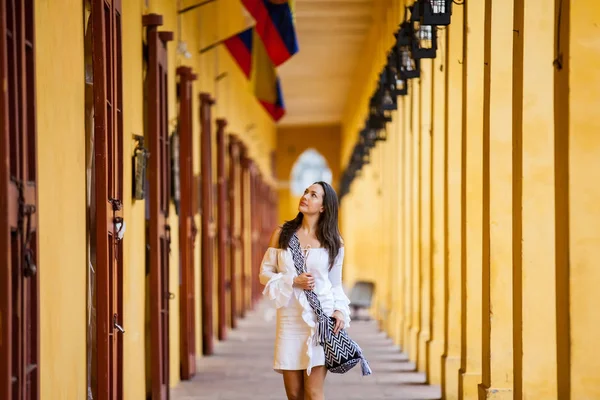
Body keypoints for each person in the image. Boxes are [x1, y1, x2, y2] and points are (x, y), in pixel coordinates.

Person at [259, 181, 351, 400]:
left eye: (313, 195)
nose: (306, 196)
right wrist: (293, 280)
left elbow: (335, 284)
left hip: (320, 320)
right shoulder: (282, 234)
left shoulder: (334, 241)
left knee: (313, 392)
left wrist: (339, 311)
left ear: (323, 206)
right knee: (294, 394)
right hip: (290, 320)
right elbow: (264, 274)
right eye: (305, 192)